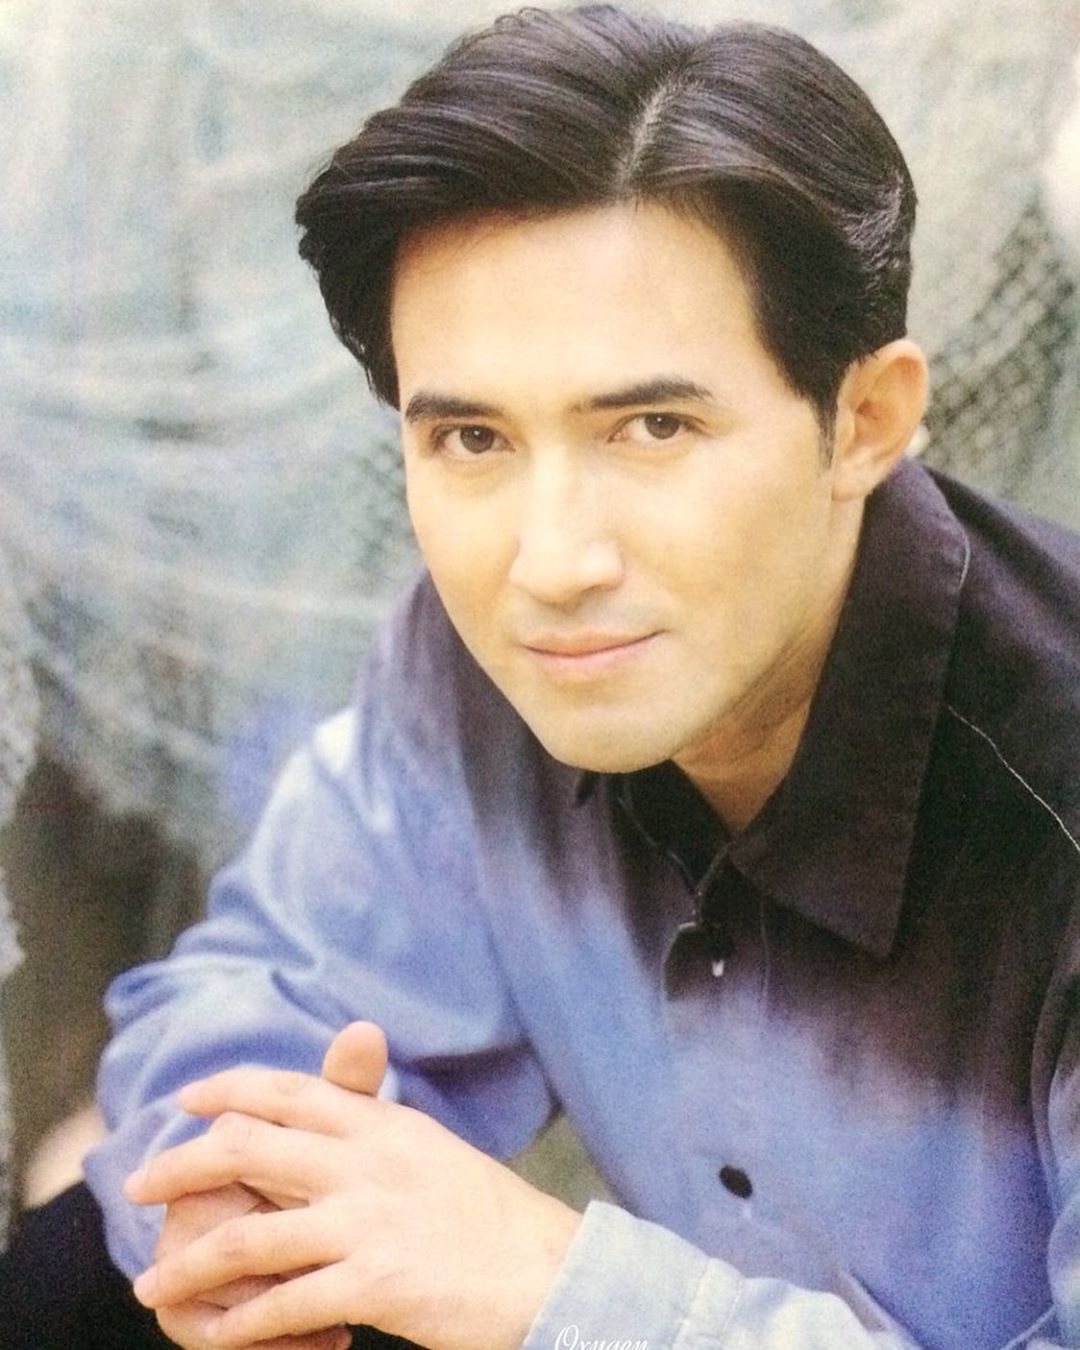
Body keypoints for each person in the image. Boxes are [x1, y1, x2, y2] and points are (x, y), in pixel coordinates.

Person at [4, 3, 1080, 1347]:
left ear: (867, 420)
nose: (553, 562)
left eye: (653, 426)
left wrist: (558, 1288)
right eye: (472, 439)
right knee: (108, 1275)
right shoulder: (490, 664)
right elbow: (259, 989)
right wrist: (238, 1187)